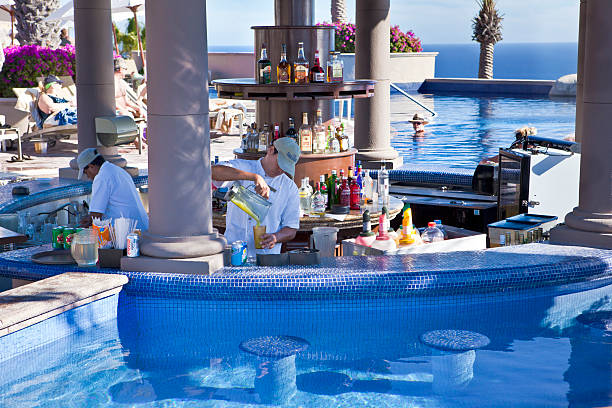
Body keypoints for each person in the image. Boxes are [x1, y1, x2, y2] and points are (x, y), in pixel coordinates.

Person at [211, 137, 301, 256]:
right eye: (280, 163)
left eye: (286, 168)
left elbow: (291, 228)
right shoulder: (244, 166)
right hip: (234, 252)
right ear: (270, 150)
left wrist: (275, 237)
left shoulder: (289, 187)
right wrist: (253, 177)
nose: (281, 170)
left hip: (267, 258)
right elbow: (213, 172)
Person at [77, 147, 149, 230]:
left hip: (127, 231)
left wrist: (81, 228)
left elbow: (96, 215)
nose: (88, 177)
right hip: (141, 226)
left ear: (91, 166)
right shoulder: (117, 170)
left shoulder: (101, 177)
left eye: (86, 173)